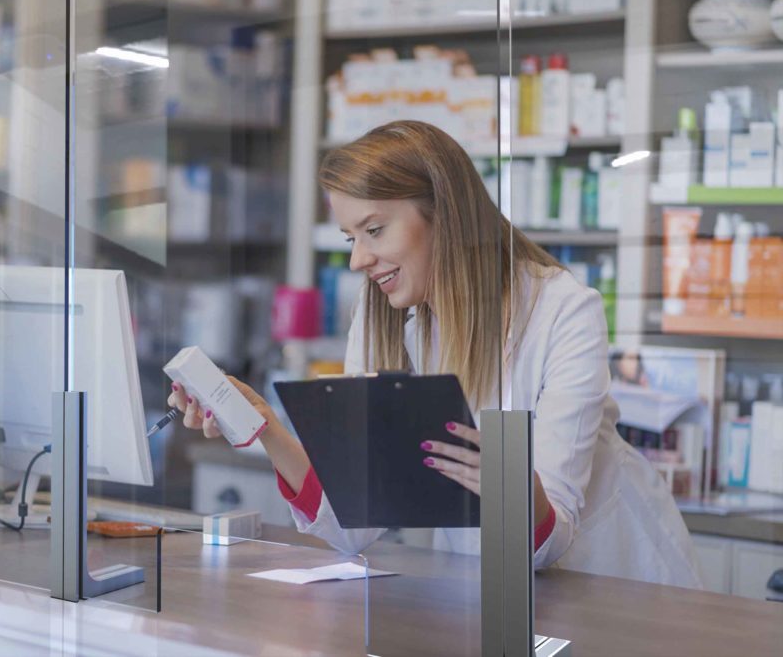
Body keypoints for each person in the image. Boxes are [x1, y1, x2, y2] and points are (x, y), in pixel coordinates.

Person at [167, 120, 702, 589]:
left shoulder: (562, 310)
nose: (358, 259)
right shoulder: (382, 318)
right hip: (488, 592)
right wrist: (267, 430)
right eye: (350, 237)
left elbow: (547, 541)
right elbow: (356, 525)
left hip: (611, 587)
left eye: (374, 230)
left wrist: (504, 477)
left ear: (444, 215)